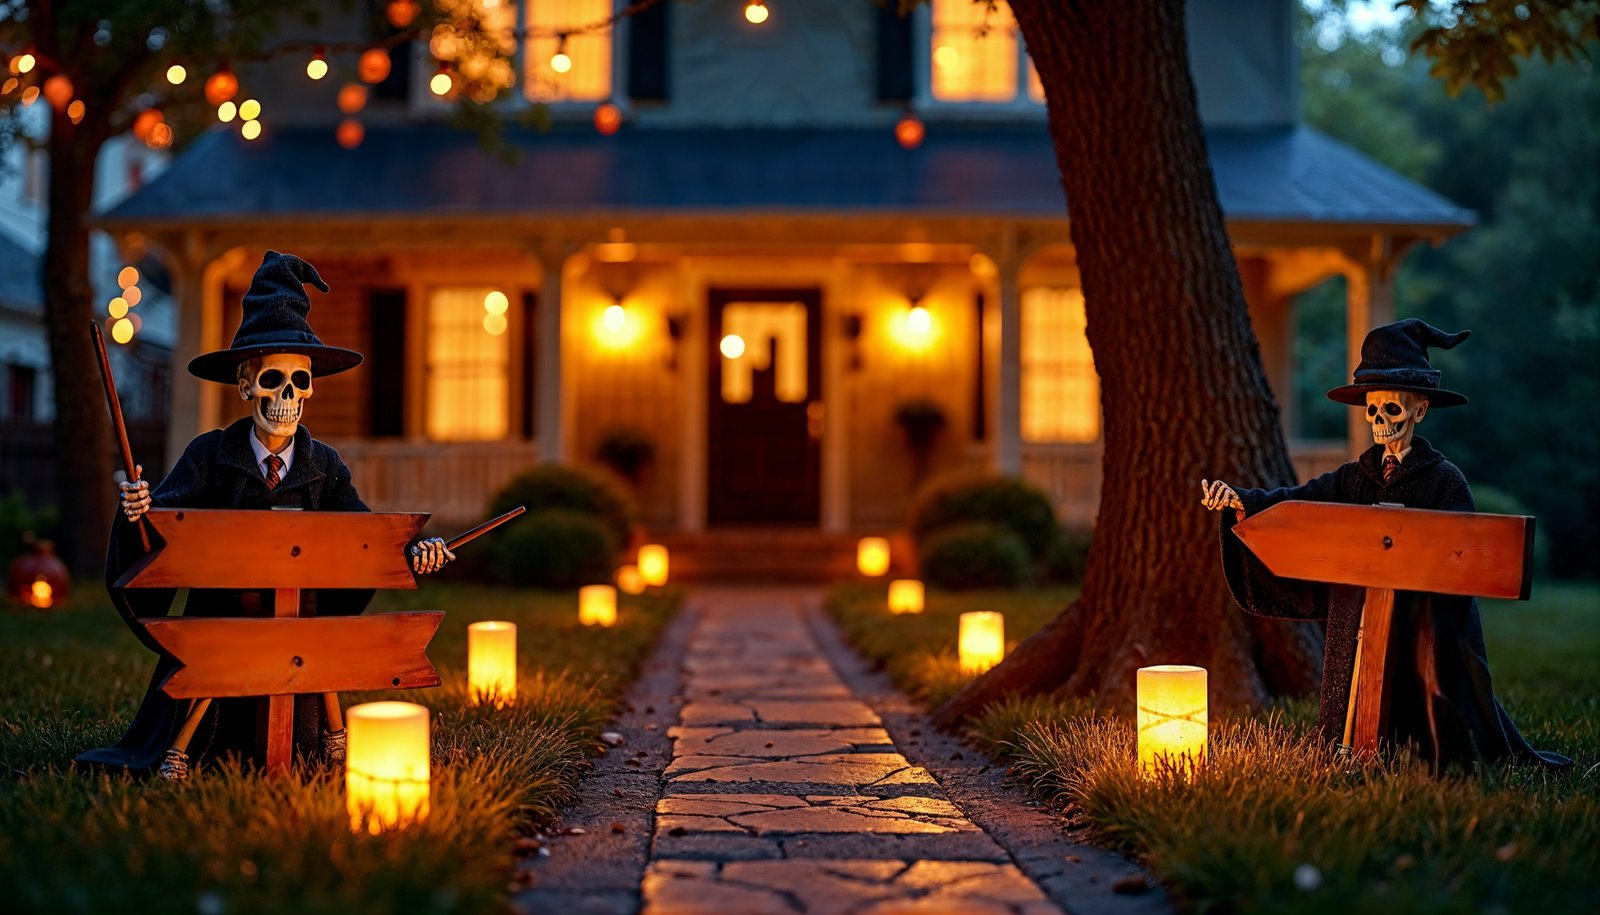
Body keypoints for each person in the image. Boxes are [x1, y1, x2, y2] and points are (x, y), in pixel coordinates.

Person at [77, 251, 455, 780]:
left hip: (301, 645)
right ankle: (186, 750)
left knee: (307, 672)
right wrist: (141, 513)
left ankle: (319, 745)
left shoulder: (324, 467)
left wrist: (412, 551)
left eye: (300, 381)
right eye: (273, 379)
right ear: (245, 386)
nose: (288, 396)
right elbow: (161, 525)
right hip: (223, 637)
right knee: (218, 673)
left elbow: (365, 536)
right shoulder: (210, 455)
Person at [1202, 319, 1569, 771]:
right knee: (1354, 679)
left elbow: (1465, 553)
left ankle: (1418, 748)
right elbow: (1302, 501)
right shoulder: (1355, 477)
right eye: (1372, 410)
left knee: (1416, 680)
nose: (1379, 421)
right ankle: (1346, 742)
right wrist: (1246, 502)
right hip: (1357, 617)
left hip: (1417, 621)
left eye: (1391, 409)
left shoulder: (1443, 480)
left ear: (1419, 412)